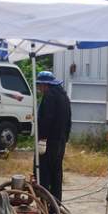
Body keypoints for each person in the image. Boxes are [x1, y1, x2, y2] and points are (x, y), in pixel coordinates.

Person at [35, 70, 72, 205]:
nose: (39, 88)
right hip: (60, 141)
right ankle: (56, 206)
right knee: (56, 175)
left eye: (40, 85)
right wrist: (65, 139)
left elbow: (48, 118)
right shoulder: (64, 97)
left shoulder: (50, 96)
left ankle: (44, 204)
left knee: (43, 174)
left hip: (49, 141)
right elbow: (69, 120)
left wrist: (43, 139)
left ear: (46, 85)